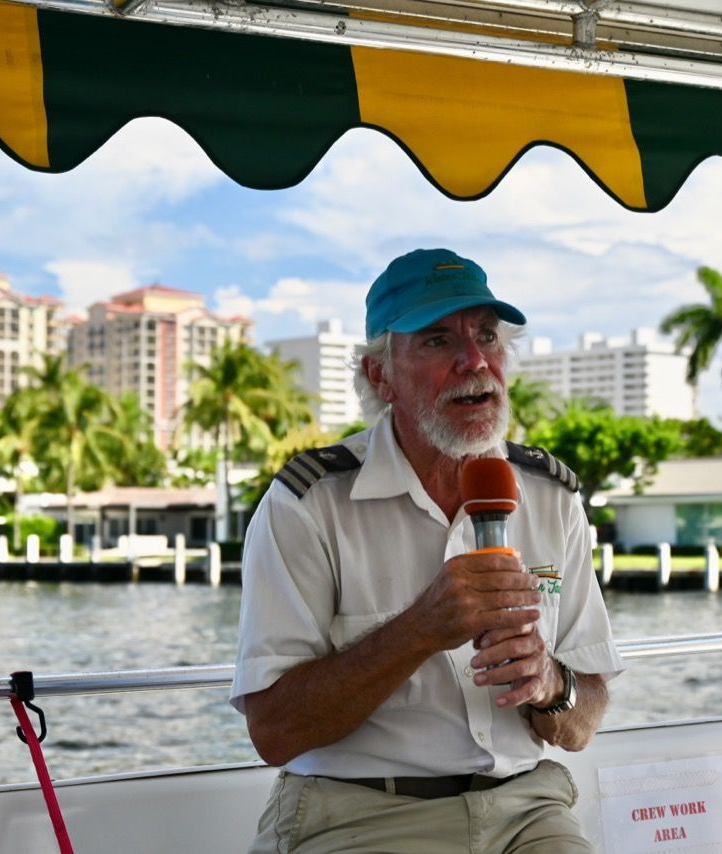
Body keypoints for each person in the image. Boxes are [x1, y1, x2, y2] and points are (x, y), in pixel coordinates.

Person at [230, 248, 624, 853]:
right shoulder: (308, 504)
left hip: (526, 810)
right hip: (360, 814)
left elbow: (583, 720)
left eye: (487, 336)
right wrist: (420, 629)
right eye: (438, 341)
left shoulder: (552, 497)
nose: (475, 361)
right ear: (380, 376)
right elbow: (274, 732)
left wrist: (550, 681)